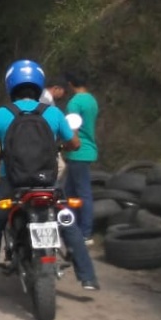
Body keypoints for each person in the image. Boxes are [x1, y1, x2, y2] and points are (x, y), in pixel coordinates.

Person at [0, 59, 98, 293]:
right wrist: (63, 146)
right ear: (39, 85)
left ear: (10, 85)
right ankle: (87, 277)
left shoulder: (0, 114)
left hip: (12, 183)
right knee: (67, 221)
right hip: (47, 183)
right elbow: (75, 143)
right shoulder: (54, 113)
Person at [64, 71, 99, 242]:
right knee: (69, 192)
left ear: (70, 84)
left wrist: (66, 146)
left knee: (82, 193)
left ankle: (85, 232)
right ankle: (70, 227)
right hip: (89, 149)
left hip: (78, 151)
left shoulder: (75, 102)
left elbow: (72, 131)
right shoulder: (92, 100)